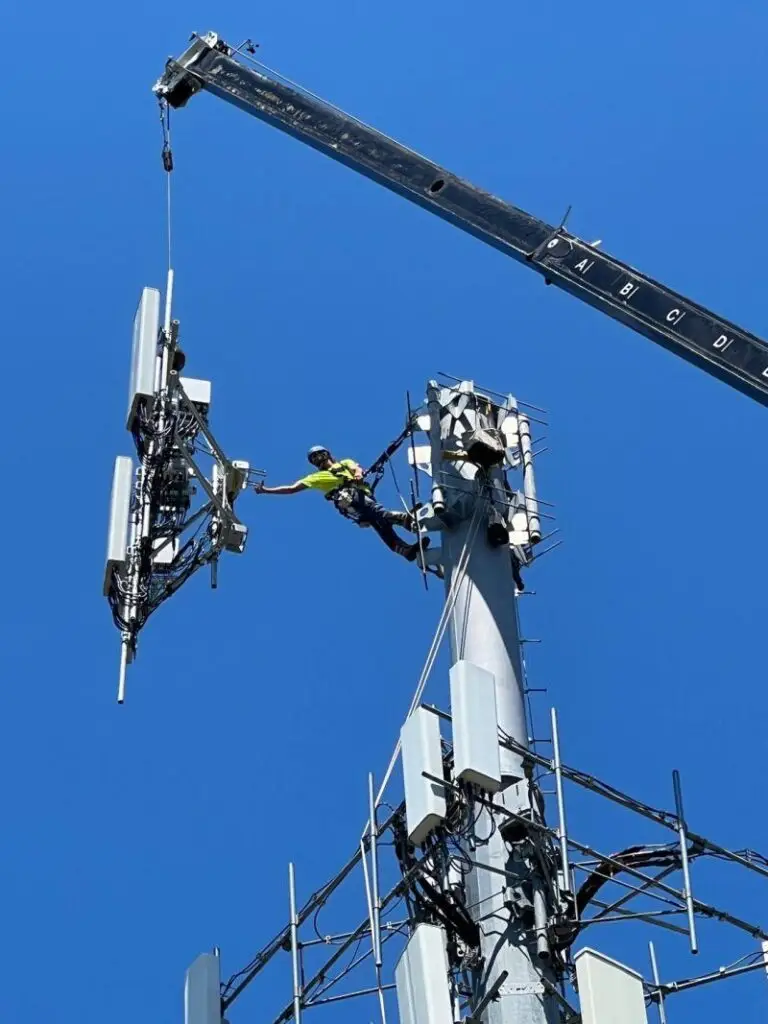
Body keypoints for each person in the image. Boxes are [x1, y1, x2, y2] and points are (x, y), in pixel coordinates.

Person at [255, 446, 429, 563]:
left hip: (362, 497)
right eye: (314, 457)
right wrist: (267, 490)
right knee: (376, 513)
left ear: (327, 454)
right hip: (350, 500)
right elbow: (291, 489)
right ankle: (404, 520)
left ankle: (405, 550)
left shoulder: (344, 463)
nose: (318, 458)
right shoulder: (314, 478)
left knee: (381, 524)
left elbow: (356, 468)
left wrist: (359, 474)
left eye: (319, 454)